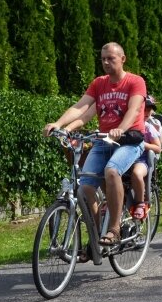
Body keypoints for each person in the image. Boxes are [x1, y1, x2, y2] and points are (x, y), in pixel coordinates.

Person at [44, 42, 146, 248]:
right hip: (103, 141)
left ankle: (114, 229)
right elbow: (81, 108)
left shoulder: (135, 81)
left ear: (123, 59)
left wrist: (121, 129)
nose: (106, 62)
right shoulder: (99, 83)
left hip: (129, 141)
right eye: (103, 59)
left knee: (111, 171)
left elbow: (134, 110)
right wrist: (59, 124)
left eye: (111, 58)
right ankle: (95, 238)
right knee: (85, 186)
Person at [130, 96, 162, 220]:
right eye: (145, 109)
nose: (147, 112)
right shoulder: (127, 124)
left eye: (150, 110)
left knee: (136, 174)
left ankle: (140, 203)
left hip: (141, 160)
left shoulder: (149, 127)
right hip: (126, 159)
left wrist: (144, 145)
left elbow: (158, 148)